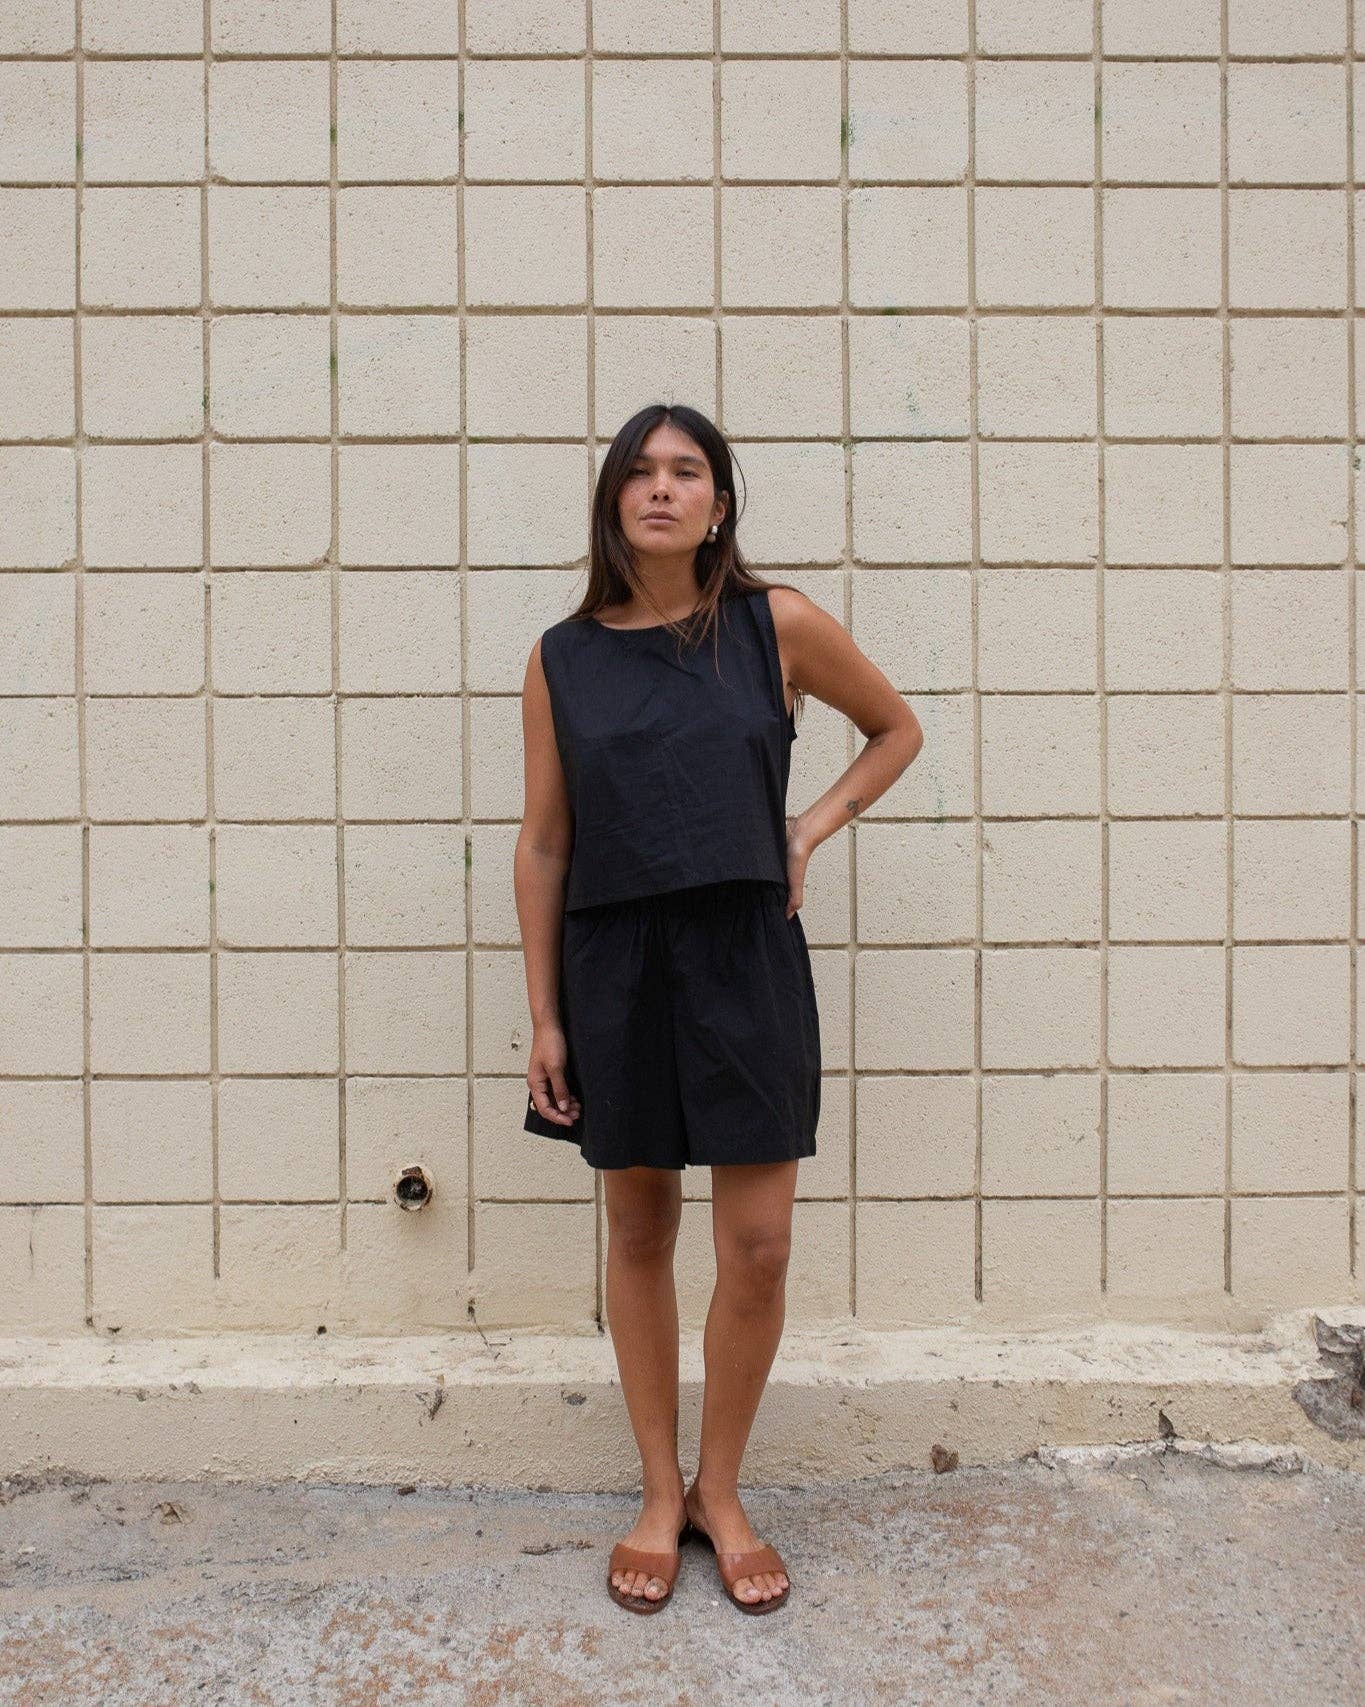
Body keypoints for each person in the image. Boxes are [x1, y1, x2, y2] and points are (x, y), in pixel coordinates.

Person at [514, 403, 923, 1615]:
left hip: (746, 957)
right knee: (640, 1231)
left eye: (686, 471)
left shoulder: (773, 625)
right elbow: (544, 844)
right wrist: (546, 1016)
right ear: (612, 502)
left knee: (759, 1246)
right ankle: (658, 1493)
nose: (661, 488)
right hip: (616, 965)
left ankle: (722, 1490)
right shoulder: (562, 657)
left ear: (719, 505)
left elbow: (895, 729)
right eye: (639, 472)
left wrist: (810, 826)